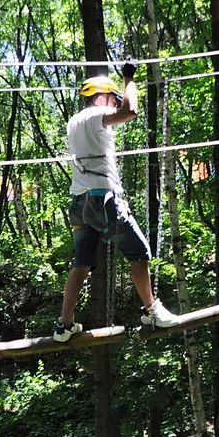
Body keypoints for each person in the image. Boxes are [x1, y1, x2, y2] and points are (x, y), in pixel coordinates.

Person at [54, 61, 181, 342]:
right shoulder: (94, 114)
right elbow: (130, 110)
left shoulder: (73, 122)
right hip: (102, 200)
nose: (113, 104)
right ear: (101, 97)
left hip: (79, 204)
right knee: (140, 252)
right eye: (111, 99)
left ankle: (64, 324)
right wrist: (128, 79)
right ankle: (153, 310)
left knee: (82, 263)